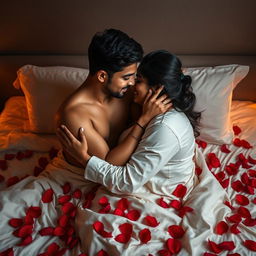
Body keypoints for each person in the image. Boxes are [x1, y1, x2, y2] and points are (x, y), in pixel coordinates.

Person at [55, 28, 171, 168]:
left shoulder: (126, 91)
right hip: (87, 175)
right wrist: (143, 121)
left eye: (134, 76)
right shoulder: (74, 114)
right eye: (126, 77)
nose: (132, 83)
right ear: (102, 76)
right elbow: (108, 166)